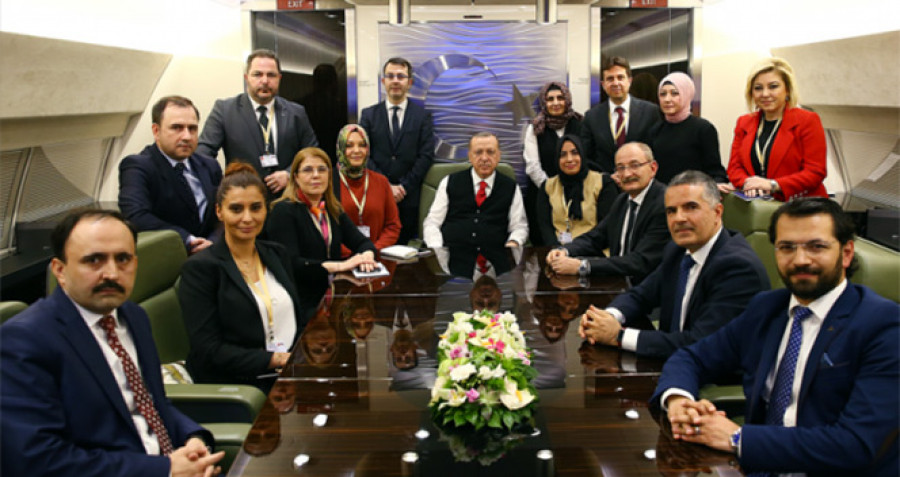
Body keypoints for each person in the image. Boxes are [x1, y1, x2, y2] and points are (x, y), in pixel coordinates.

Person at [653, 198, 898, 476]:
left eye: (816, 247)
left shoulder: (884, 325)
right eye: (787, 247)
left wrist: (738, 438)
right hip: (758, 467)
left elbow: (856, 445)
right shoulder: (767, 308)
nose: (800, 259)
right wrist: (679, 400)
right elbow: (692, 357)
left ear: (846, 253)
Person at [1, 209, 223, 477]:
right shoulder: (25, 340)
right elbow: (38, 460)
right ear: (60, 270)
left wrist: (193, 439)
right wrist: (165, 469)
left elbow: (153, 403)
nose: (112, 273)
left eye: (123, 259)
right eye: (94, 260)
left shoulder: (133, 316)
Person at [579, 171, 770, 358]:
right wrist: (606, 318)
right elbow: (641, 295)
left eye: (691, 207)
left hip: (717, 374)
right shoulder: (678, 250)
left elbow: (700, 343)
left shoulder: (738, 268)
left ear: (717, 212)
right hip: (675, 362)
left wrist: (619, 336)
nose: (679, 218)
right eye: (671, 211)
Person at [178, 163, 327, 389]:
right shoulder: (200, 269)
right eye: (236, 209)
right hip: (239, 385)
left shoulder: (276, 254)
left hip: (289, 372)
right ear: (219, 211)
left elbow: (295, 316)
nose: (247, 218)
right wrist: (275, 359)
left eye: (256, 208)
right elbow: (208, 349)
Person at [198, 49, 318, 199]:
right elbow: (202, 154)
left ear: (279, 78)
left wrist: (290, 174)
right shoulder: (224, 110)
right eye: (258, 74)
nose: (265, 81)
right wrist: (224, 184)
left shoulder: (296, 112)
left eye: (271, 75)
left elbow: (312, 153)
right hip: (244, 200)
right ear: (246, 78)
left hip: (288, 200)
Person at [546, 142, 669, 284]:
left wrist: (583, 266)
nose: (627, 174)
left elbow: (640, 261)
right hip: (619, 284)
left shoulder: (665, 204)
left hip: (650, 289)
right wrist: (564, 251)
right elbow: (596, 237)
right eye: (621, 168)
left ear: (653, 168)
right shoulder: (622, 201)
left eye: (635, 165)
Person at [119, 95, 222, 254]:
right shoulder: (138, 166)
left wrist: (213, 242)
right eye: (177, 128)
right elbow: (136, 216)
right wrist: (189, 240)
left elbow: (224, 212)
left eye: (192, 128)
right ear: (156, 131)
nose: (187, 136)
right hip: (172, 257)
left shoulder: (209, 166)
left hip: (214, 253)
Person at [726, 57, 828, 200]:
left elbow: (815, 171)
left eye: (773, 86)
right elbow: (734, 167)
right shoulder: (744, 122)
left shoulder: (807, 120)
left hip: (800, 205)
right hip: (760, 205)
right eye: (758, 88)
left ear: (787, 90)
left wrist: (773, 185)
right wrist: (748, 184)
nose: (765, 94)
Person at [359, 57, 435, 245]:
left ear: (410, 82)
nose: (395, 81)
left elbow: (426, 156)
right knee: (375, 247)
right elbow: (362, 155)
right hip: (376, 195)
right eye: (390, 76)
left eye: (400, 76)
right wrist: (386, 186)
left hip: (409, 198)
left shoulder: (422, 116)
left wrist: (404, 187)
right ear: (383, 81)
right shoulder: (368, 115)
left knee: (406, 252)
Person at [266, 147, 378, 274]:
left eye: (322, 169)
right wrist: (341, 266)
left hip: (332, 284)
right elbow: (291, 263)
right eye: (308, 170)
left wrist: (366, 257)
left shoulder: (333, 209)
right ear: (296, 177)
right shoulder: (282, 211)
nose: (316, 175)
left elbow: (363, 243)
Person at [422, 132, 528, 249]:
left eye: (490, 152)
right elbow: (432, 223)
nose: (484, 158)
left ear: (498, 155)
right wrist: (438, 249)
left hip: (495, 255)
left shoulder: (511, 187)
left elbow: (519, 227)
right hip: (453, 254)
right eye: (478, 152)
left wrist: (513, 243)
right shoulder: (449, 182)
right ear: (470, 156)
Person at [523, 81, 584, 245]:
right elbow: (533, 166)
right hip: (543, 194)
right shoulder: (535, 128)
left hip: (578, 194)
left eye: (560, 98)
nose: (555, 103)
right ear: (544, 102)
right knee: (545, 245)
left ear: (567, 100)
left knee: (578, 242)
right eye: (550, 99)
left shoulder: (581, 124)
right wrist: (554, 190)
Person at [648, 72, 730, 189]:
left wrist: (716, 186)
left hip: (693, 195)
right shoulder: (655, 131)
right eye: (663, 94)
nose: (667, 99)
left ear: (686, 94)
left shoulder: (703, 129)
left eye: (674, 93)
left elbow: (715, 171)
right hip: (663, 196)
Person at [581, 56, 660, 174]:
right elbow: (587, 157)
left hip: (640, 180)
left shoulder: (651, 112)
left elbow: (656, 152)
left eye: (620, 77)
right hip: (606, 182)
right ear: (603, 84)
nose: (616, 83)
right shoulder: (591, 117)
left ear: (630, 81)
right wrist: (605, 178)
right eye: (610, 79)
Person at [535, 134, 617, 247]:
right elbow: (545, 227)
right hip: (558, 250)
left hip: (594, 250)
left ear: (582, 155)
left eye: (575, 153)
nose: (569, 159)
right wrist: (557, 250)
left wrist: (574, 250)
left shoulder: (603, 183)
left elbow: (605, 228)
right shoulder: (548, 187)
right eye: (563, 155)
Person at [334, 124, 401, 255]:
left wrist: (371, 251)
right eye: (349, 145)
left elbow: (393, 226)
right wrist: (354, 256)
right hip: (343, 260)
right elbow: (325, 231)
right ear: (340, 148)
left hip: (377, 258)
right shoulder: (329, 182)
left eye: (362, 145)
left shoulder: (381, 181)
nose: (357, 150)